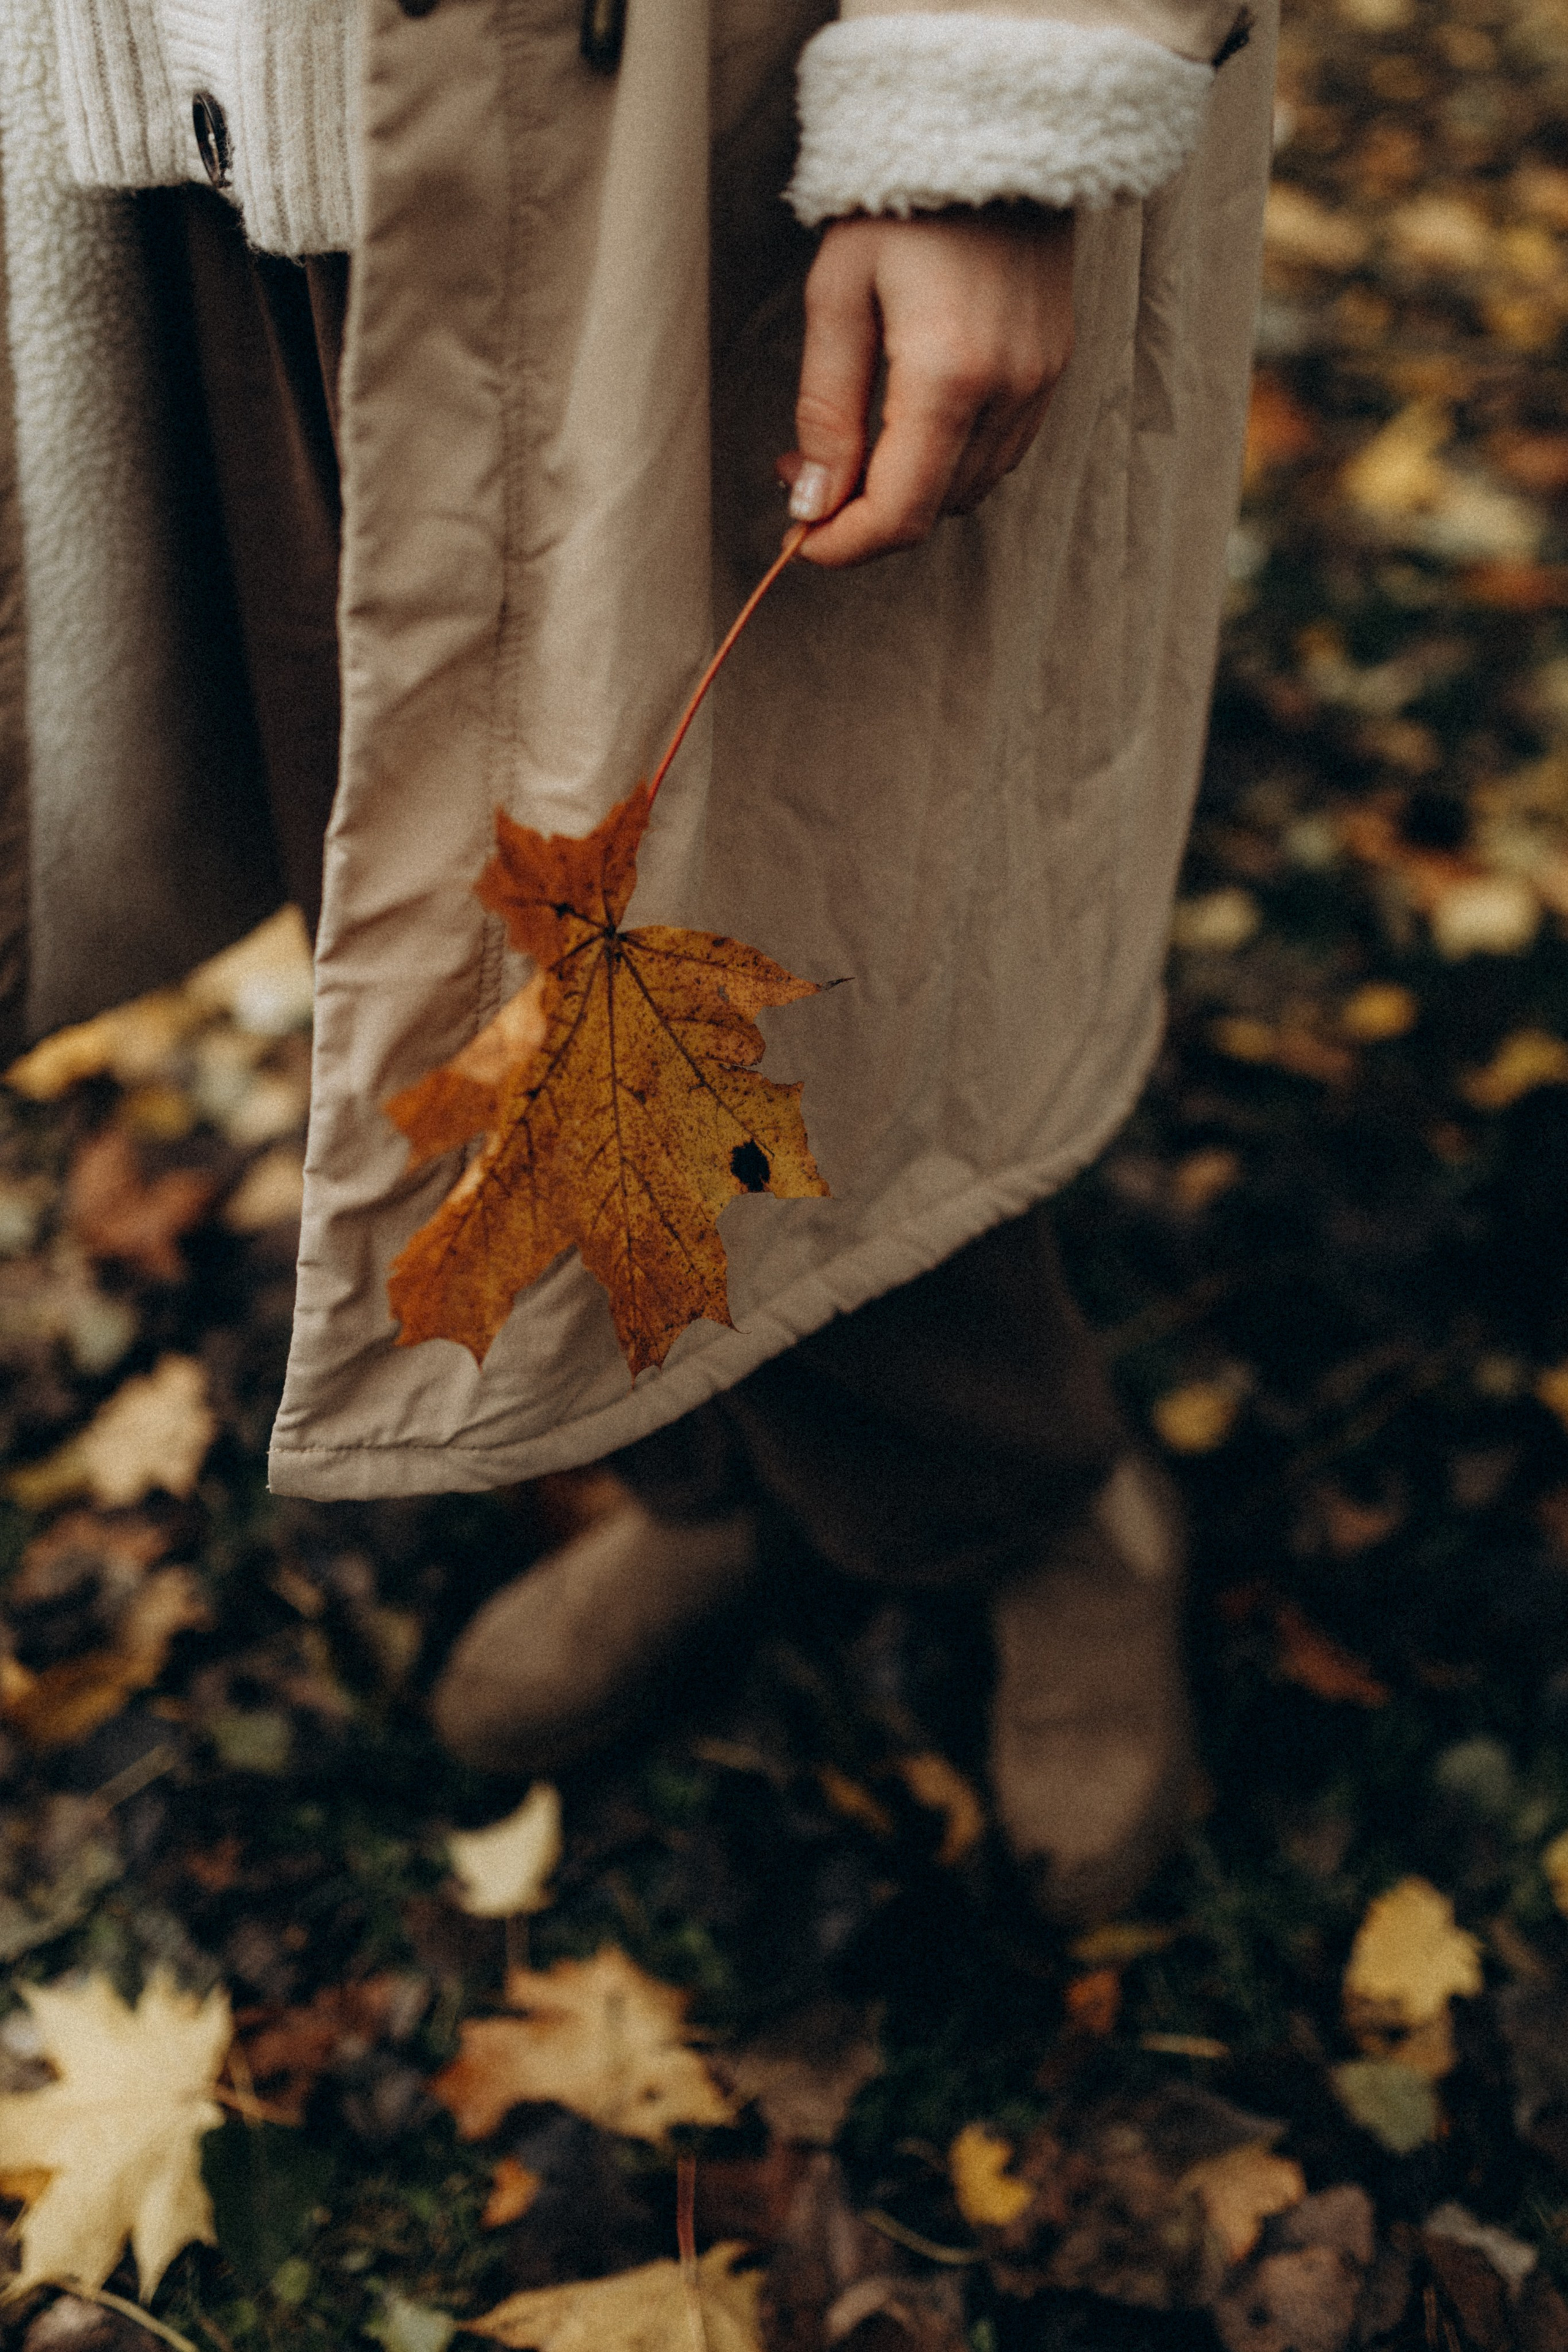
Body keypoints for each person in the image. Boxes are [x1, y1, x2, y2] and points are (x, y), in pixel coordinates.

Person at [0, 0, 1273, 1920]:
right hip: (219, 140)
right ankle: (697, 1467)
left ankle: (1020, 1503)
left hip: (709, 133)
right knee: (412, 913)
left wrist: (1006, 91)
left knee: (802, 926)